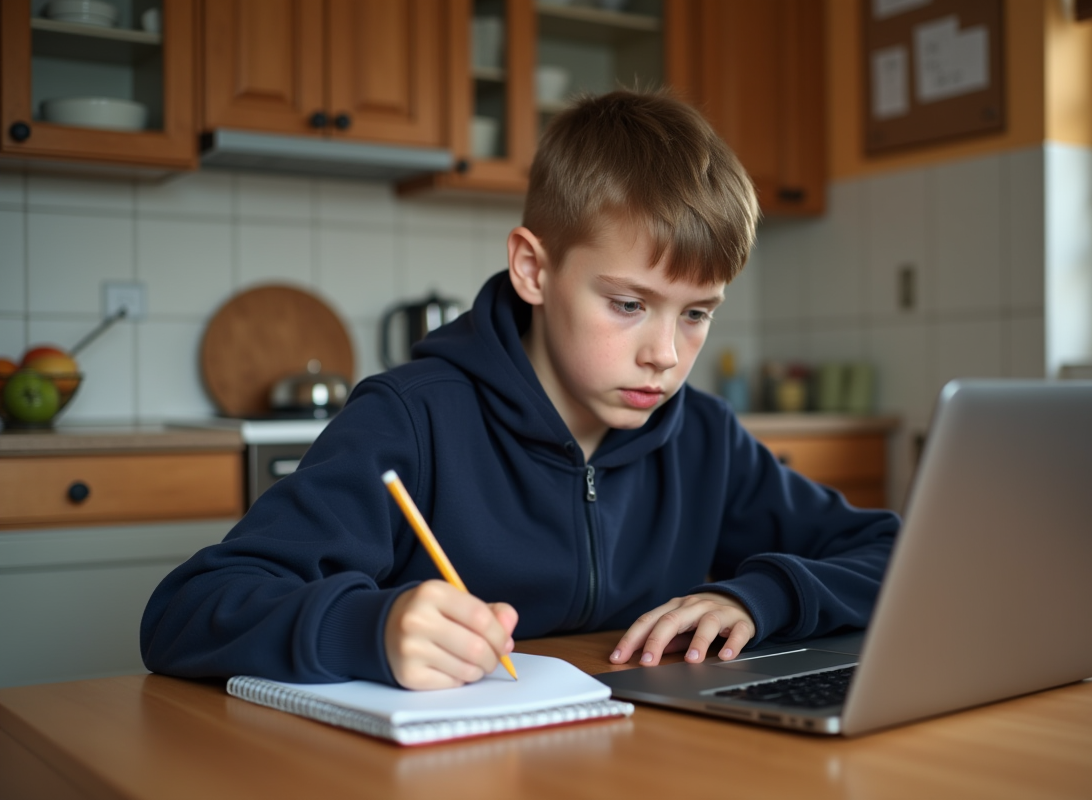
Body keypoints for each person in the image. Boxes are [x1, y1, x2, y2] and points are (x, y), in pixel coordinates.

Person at [141, 90, 899, 691]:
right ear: (534, 270)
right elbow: (185, 612)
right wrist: (370, 627)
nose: (665, 356)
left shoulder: (702, 437)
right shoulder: (411, 420)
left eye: (697, 313)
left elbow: (895, 552)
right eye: (628, 304)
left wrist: (759, 598)